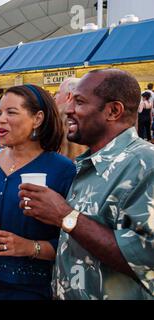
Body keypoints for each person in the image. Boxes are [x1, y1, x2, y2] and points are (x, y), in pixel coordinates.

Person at [19, 69, 154, 300]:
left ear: (113, 111)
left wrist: (65, 216)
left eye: (79, 102)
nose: (68, 109)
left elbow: (145, 256)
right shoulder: (89, 163)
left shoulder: (145, 164)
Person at [0, 84, 75, 300]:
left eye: (11, 112)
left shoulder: (63, 170)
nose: (1, 119)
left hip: (28, 288)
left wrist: (30, 247)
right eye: (1, 112)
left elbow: (73, 241)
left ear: (37, 119)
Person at [55, 78, 88, 160]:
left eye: (58, 93)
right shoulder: (90, 117)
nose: (55, 97)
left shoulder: (60, 119)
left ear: (69, 96)